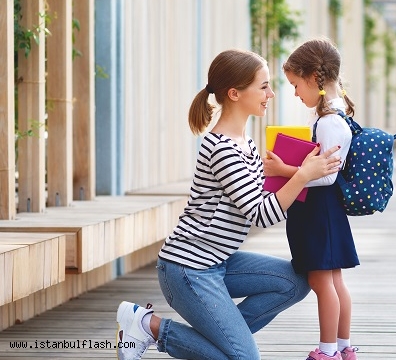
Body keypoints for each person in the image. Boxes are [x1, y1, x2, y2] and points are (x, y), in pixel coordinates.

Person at [115, 48, 342, 360]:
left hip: (220, 260)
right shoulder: (222, 148)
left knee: (295, 282)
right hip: (188, 268)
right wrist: (302, 176)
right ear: (235, 93)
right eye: (263, 86)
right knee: (244, 358)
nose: (271, 94)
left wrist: (292, 173)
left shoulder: (244, 143)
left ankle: (225, 341)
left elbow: (261, 199)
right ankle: (148, 326)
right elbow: (261, 214)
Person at [263, 38, 360, 360]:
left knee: (322, 283)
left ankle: (328, 350)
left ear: (312, 78)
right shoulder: (334, 115)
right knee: (333, 281)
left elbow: (326, 174)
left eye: (294, 84)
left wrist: (283, 168)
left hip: (319, 212)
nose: (293, 93)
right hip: (324, 212)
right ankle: (343, 347)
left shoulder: (330, 121)